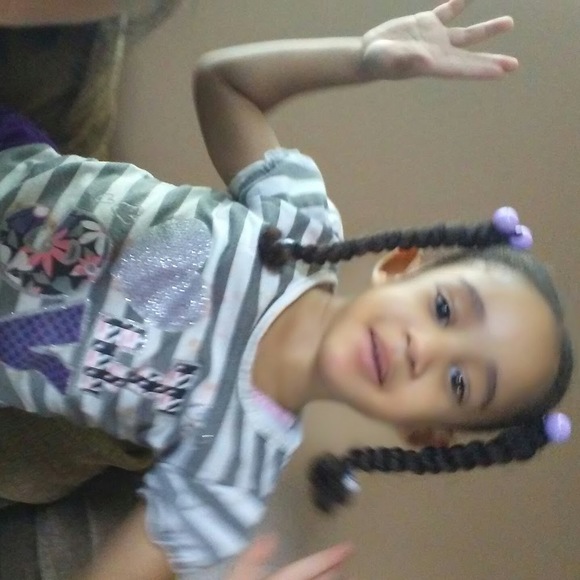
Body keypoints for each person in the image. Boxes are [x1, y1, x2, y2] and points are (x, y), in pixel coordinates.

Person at [0, 1, 573, 578]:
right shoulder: (301, 223)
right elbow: (224, 84)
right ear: (399, 267)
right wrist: (363, 59)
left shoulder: (233, 474)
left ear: (424, 432)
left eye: (458, 382)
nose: (421, 349)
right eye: (444, 309)